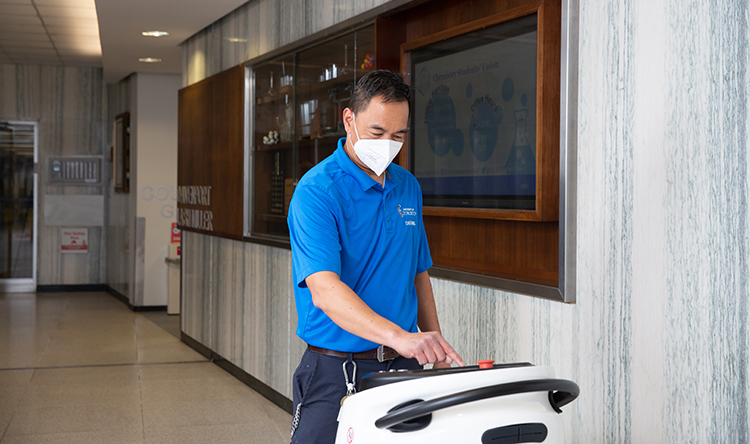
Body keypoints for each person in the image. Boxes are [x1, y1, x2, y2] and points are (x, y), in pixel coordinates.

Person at [287, 70, 464, 443]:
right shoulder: (317, 191)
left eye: (398, 135)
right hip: (336, 369)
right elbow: (324, 290)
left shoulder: (407, 186)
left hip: (402, 366)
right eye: (377, 133)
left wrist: (433, 341)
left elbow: (417, 272)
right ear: (349, 120)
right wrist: (401, 336)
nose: (388, 144)